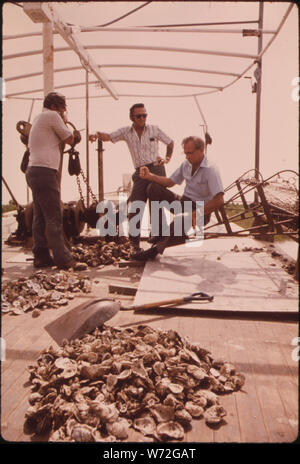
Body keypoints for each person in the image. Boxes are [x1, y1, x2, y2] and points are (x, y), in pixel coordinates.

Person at [89, 103, 174, 249]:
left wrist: (167, 158)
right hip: (140, 171)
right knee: (136, 204)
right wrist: (97, 134)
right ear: (131, 117)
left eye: (144, 115)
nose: (142, 118)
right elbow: (109, 136)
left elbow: (170, 142)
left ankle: (159, 237)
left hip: (157, 169)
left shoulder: (154, 129)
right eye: (139, 116)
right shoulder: (126, 132)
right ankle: (134, 242)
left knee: (157, 203)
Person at [131, 135, 224, 260]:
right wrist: (150, 176)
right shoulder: (187, 164)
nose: (187, 157)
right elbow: (170, 182)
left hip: (201, 210)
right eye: (185, 153)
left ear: (201, 150)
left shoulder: (211, 169)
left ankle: (154, 251)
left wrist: (196, 214)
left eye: (190, 153)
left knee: (178, 223)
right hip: (184, 202)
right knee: (153, 188)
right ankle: (159, 231)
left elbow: (219, 200)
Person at [26, 92, 81, 269]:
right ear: (55, 107)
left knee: (40, 216)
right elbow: (70, 139)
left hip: (34, 171)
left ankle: (41, 256)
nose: (64, 111)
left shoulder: (39, 118)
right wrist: (70, 128)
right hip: (45, 172)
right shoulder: (52, 116)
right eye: (63, 108)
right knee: (54, 216)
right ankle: (64, 260)